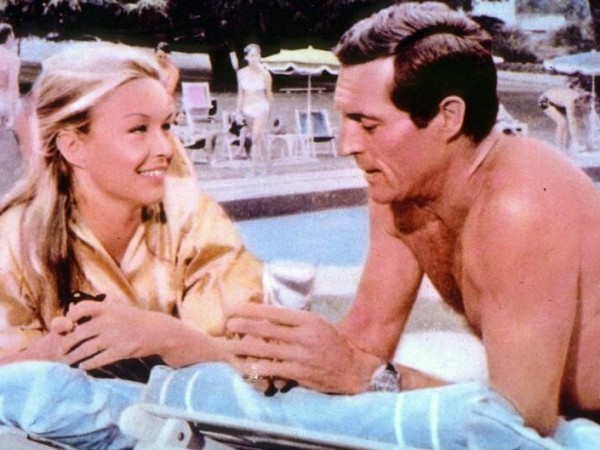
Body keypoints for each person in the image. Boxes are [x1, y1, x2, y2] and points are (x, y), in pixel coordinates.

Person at [226, 1, 600, 440]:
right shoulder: (400, 190)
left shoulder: (520, 205)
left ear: (448, 117)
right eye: (345, 120)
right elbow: (365, 339)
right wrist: (276, 364)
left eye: (368, 125)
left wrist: (373, 377)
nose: (346, 145)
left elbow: (517, 422)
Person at [0, 42, 262, 382]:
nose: (166, 148)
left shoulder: (193, 219)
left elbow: (261, 371)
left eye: (167, 126)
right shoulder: (15, 240)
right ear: (73, 146)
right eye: (139, 129)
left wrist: (168, 338)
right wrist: (47, 355)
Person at [236, 43, 273, 173]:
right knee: (258, 137)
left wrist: (270, 110)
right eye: (252, 55)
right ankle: (268, 163)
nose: (254, 58)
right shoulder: (241, 73)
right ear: (246, 57)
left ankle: (254, 169)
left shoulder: (265, 74)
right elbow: (240, 94)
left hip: (262, 107)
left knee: (255, 137)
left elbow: (269, 94)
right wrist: (238, 112)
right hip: (247, 108)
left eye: (257, 55)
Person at [538, 83, 591, 153]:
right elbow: (572, 122)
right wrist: (576, 142)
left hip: (559, 102)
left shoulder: (581, 99)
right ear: (582, 101)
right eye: (584, 106)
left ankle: (566, 147)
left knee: (568, 124)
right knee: (562, 122)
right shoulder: (571, 101)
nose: (583, 108)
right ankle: (558, 148)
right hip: (545, 100)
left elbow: (586, 119)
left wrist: (588, 140)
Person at [0, 22, 20, 127]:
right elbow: (12, 85)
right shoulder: (13, 58)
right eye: (13, 36)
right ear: (8, 37)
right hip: (3, 101)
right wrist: (13, 111)